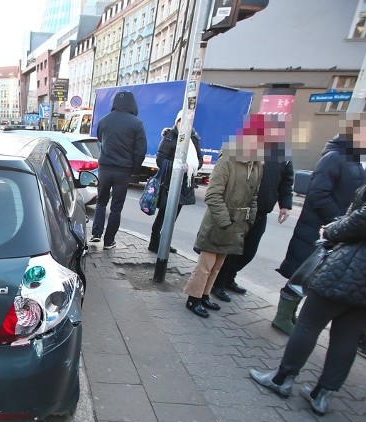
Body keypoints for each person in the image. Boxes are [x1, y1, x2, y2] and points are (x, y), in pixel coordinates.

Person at [249, 96, 366, 416]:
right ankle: (322, 395)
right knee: (347, 334)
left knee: (309, 322)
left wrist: (333, 230)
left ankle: (282, 379)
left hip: (357, 263)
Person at [271, 114, 366, 335]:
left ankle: (291, 315)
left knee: (311, 276)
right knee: (302, 273)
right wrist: (341, 220)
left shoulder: (354, 159)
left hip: (330, 231)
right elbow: (319, 195)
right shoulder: (334, 157)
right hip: (316, 229)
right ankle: (282, 317)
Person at [183, 114, 266, 318]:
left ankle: (204, 295)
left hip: (238, 224)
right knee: (206, 265)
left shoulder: (257, 165)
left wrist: (249, 220)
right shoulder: (228, 160)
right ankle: (193, 298)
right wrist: (224, 220)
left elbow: (254, 196)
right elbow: (213, 194)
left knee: (218, 265)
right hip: (218, 223)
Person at [212, 115, 293, 301]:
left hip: (261, 212)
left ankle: (230, 277)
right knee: (231, 248)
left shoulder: (282, 153)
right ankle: (219, 282)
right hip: (241, 210)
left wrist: (285, 205)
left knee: (248, 251)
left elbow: (287, 181)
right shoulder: (246, 148)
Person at [89, 90, 147, 250]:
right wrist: (134, 169)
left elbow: (100, 139)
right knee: (116, 207)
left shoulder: (104, 120)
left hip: (105, 168)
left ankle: (96, 234)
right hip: (123, 170)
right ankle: (109, 242)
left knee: (101, 202)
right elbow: (140, 150)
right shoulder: (137, 123)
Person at [148, 111, 202, 254]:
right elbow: (160, 159)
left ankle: (164, 243)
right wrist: (177, 166)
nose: (184, 124)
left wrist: (190, 167)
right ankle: (154, 243)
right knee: (163, 215)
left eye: (187, 121)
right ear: (177, 121)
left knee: (172, 218)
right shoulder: (170, 136)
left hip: (184, 185)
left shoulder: (194, 139)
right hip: (168, 183)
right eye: (181, 121)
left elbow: (199, 160)